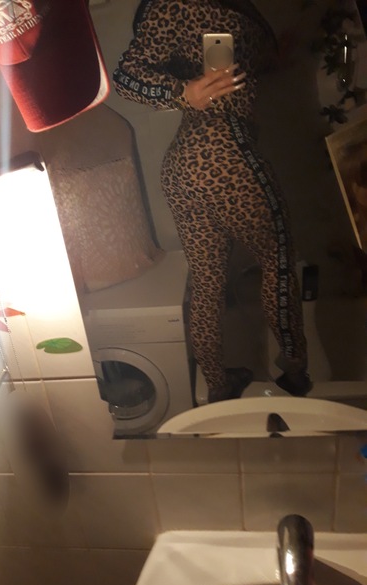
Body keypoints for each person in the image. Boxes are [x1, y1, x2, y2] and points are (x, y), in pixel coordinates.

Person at [113, 0, 311, 401]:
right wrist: (182, 93)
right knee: (277, 260)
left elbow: (235, 74)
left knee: (206, 281)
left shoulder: (225, 10)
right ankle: (294, 370)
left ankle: (218, 385)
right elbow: (126, 77)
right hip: (224, 150)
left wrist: (270, 55)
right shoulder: (177, 4)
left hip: (185, 165)